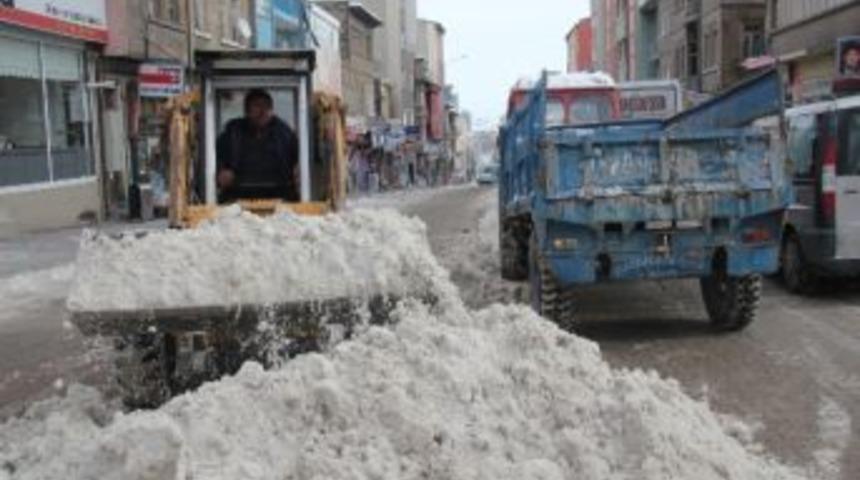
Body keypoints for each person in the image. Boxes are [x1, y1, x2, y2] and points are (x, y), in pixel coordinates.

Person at [216, 89, 300, 202]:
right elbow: (215, 159)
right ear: (246, 110)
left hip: (280, 194)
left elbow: (298, 160)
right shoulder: (233, 131)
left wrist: (298, 171)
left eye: (267, 106)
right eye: (257, 106)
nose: (262, 111)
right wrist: (220, 172)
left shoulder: (284, 133)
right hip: (238, 195)